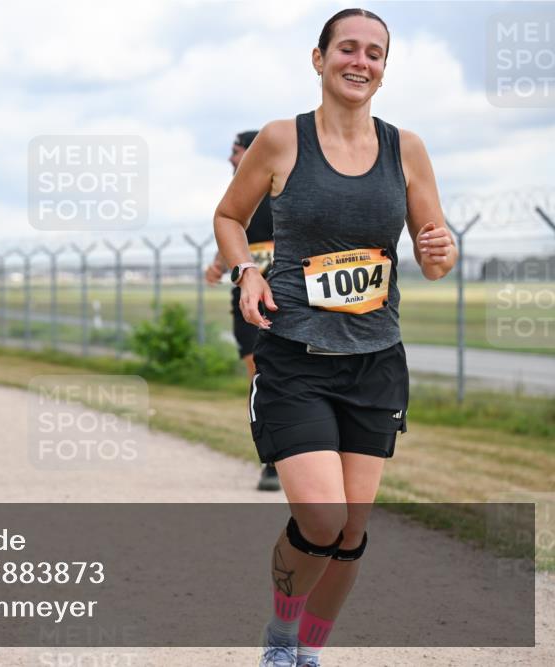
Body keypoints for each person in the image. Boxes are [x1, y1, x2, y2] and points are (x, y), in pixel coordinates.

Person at [211, 9, 456, 667]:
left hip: (374, 361)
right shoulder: (281, 140)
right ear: (319, 59)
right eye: (347, 48)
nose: (360, 61)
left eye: (374, 53)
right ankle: (280, 636)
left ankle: (308, 653)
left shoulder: (407, 149)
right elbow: (229, 215)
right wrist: (246, 270)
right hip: (295, 355)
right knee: (322, 516)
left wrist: (443, 249)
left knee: (350, 532)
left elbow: (434, 256)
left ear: (383, 69)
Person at [206, 129, 280, 492]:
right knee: (259, 376)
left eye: (236, 151)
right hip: (247, 301)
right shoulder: (239, 193)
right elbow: (234, 234)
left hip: (286, 299)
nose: (230, 158)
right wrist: (219, 264)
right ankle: (272, 459)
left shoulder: (282, 189)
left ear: (252, 153)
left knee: (284, 376)